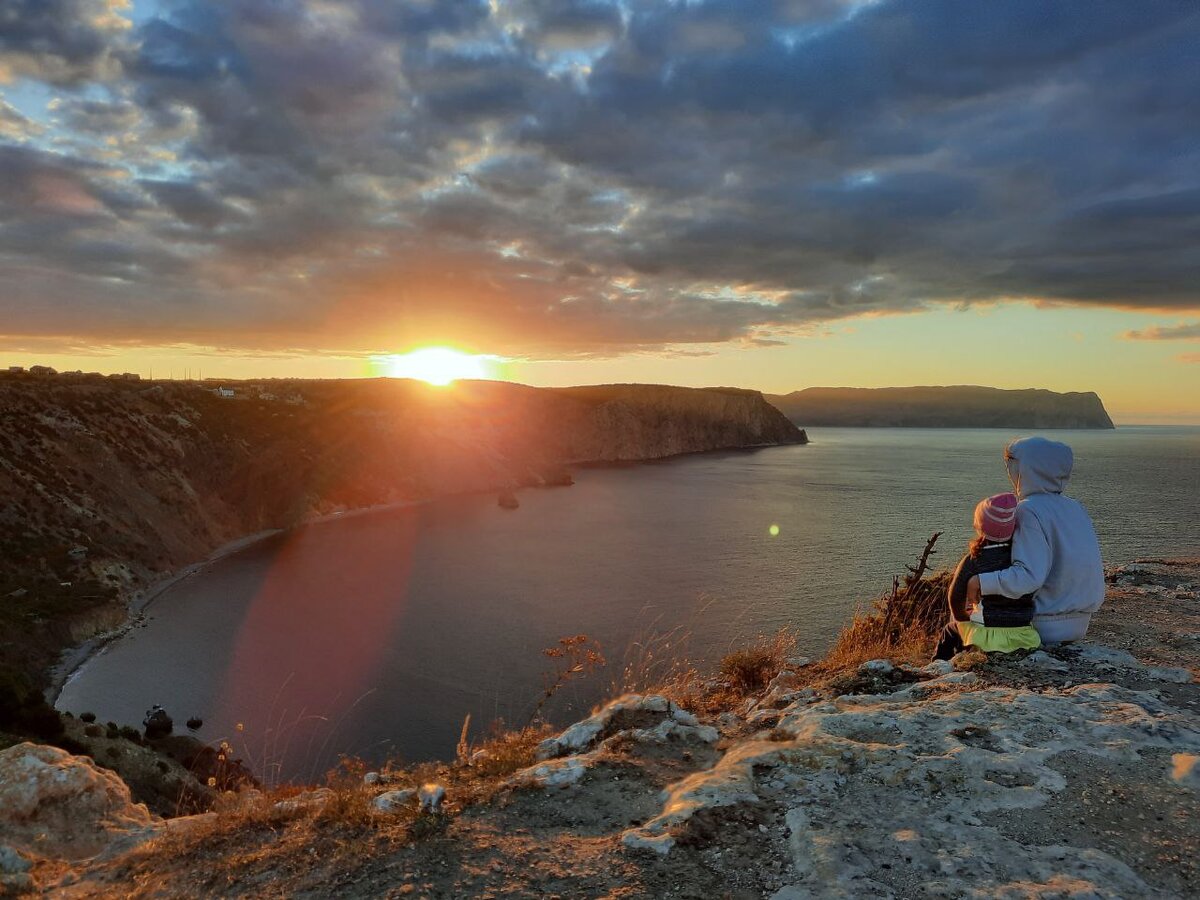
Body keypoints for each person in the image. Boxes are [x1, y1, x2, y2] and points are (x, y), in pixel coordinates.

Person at [966, 436, 1105, 643]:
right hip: (1080, 624)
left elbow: (1029, 575)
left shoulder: (1028, 510)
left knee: (961, 626)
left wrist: (980, 582)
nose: (1010, 472)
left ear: (1025, 470)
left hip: (1042, 624)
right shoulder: (1075, 507)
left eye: (1012, 465)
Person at [934, 492, 1042, 660]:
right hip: (1023, 634)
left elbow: (954, 598)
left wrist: (964, 620)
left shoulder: (973, 560)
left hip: (986, 637)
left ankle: (938, 666)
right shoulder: (1021, 558)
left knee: (950, 629)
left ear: (980, 527)